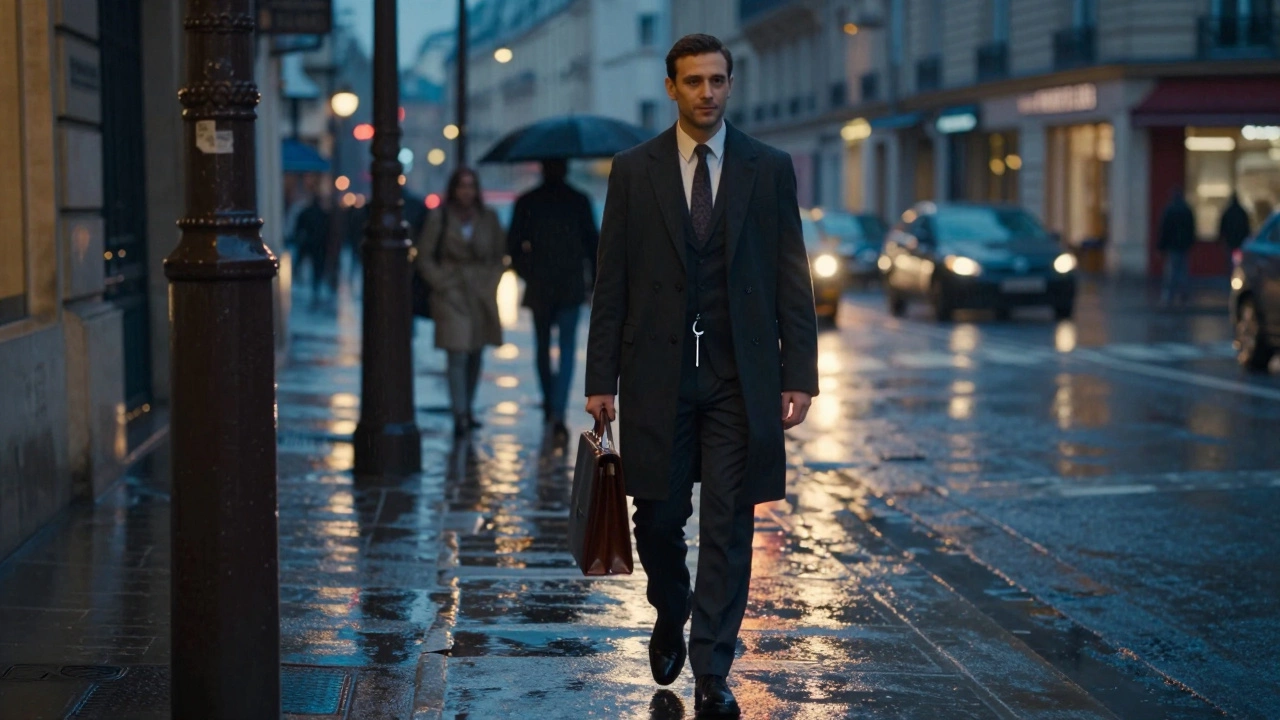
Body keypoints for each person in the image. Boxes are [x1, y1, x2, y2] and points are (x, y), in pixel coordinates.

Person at [584, 34, 818, 718]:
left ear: (730, 84)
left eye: (718, 80)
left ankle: (713, 663)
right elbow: (611, 284)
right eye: (694, 81)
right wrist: (602, 380)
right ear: (672, 87)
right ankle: (671, 606)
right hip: (656, 376)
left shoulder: (767, 168)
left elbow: (791, 278)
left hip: (738, 377)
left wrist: (797, 373)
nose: (707, 93)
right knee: (657, 518)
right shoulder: (633, 170)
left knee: (729, 523)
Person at [508, 159, 600, 440]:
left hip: (541, 285)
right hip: (569, 284)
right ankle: (557, 408)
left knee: (543, 347)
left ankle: (552, 405)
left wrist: (527, 271)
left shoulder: (527, 201)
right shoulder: (579, 200)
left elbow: (513, 245)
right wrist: (591, 282)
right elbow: (592, 245)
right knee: (566, 348)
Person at [415, 168, 507, 437]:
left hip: (480, 294)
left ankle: (467, 407)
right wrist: (442, 283)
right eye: (461, 186)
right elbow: (424, 257)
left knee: (476, 351)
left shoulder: (488, 218)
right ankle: (460, 414)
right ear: (453, 189)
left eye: (471, 186)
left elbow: (500, 255)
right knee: (457, 353)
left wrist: (490, 282)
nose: (466, 191)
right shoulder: (440, 217)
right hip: (451, 294)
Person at [292, 190, 333, 310]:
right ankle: (315, 286)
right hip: (318, 245)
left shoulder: (306, 213)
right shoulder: (323, 214)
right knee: (317, 268)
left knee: (303, 263)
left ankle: (305, 283)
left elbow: (298, 228)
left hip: (309, 244)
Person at [1158, 186, 1196, 307]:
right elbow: (1191, 229)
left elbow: (1164, 229)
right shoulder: (1187, 210)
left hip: (1173, 246)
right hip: (1183, 245)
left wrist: (1161, 246)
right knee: (1183, 270)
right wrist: (1190, 242)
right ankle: (1183, 294)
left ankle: (1169, 296)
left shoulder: (1170, 210)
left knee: (1172, 271)